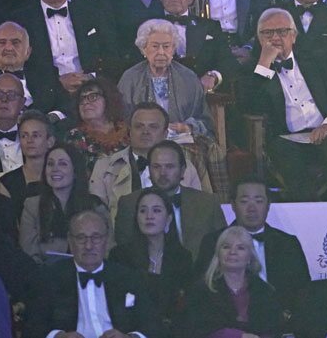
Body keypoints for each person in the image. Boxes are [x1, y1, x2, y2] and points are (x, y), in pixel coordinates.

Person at [249, 8, 327, 201]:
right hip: (286, 138)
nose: (275, 38)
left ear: (294, 36)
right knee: (287, 157)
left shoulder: (317, 61)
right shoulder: (254, 69)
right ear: (259, 38)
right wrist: (264, 64)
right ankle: (308, 215)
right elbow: (252, 106)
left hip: (325, 132)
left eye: (282, 32)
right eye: (267, 33)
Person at [119, 18, 229, 198]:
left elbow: (205, 120)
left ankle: (198, 205)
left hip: (181, 141)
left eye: (167, 46)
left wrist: (188, 127)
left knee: (190, 153)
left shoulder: (188, 77)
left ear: (173, 49)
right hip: (143, 140)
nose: (161, 52)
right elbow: (122, 120)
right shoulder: (130, 78)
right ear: (143, 49)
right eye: (155, 46)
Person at [24, 210, 160, 337]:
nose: (89, 246)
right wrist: (58, 336)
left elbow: (153, 325)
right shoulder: (48, 278)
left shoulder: (128, 277)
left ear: (106, 240)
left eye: (96, 237)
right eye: (81, 238)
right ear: (70, 241)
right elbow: (31, 327)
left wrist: (129, 337)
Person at [194, 176, 310, 324]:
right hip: (226, 325)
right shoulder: (213, 241)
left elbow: (303, 292)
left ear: (268, 205)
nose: (251, 208)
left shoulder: (288, 244)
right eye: (244, 201)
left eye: (259, 201)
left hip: (279, 324)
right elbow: (201, 290)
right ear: (233, 205)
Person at [7, 0, 120, 92]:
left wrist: (90, 78)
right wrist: (56, 83)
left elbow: (111, 55)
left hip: (89, 90)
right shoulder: (21, 21)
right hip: (44, 94)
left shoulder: (90, 14)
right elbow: (16, 66)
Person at [89, 102, 203, 224]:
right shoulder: (104, 167)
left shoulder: (186, 167)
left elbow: (198, 213)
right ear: (129, 131)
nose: (145, 131)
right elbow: (97, 218)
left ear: (165, 133)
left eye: (153, 127)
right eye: (139, 126)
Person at [115, 140, 226, 259]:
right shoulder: (129, 204)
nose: (162, 173)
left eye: (170, 166)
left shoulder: (208, 203)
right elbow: (123, 252)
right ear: (149, 169)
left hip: (197, 275)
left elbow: (222, 246)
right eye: (156, 167)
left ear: (183, 170)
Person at [108, 187, 193, 332]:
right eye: (143, 211)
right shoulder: (120, 256)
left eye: (157, 210)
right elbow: (119, 303)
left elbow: (185, 307)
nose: (149, 216)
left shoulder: (182, 258)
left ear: (169, 219)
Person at [182, 225, 283, 338]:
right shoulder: (200, 292)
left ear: (250, 257)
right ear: (218, 255)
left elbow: (274, 330)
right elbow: (196, 330)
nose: (232, 252)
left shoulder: (265, 292)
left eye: (240, 248)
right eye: (226, 247)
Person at [0, 21, 68, 123]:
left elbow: (65, 106)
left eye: (16, 43)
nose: (9, 48)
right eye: (2, 42)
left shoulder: (45, 74)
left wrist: (46, 120)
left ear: (28, 52)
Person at [157, 0, 239, 92]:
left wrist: (213, 76)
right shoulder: (147, 28)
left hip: (203, 100)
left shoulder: (210, 27)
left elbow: (228, 63)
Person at [19, 143, 103, 263]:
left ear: (75, 171)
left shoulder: (96, 206)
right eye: (50, 164)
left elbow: (106, 249)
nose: (55, 169)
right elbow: (29, 254)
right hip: (45, 276)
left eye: (63, 164)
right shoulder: (32, 205)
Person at [0, 109, 55, 223]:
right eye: (24, 136)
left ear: (50, 142)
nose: (29, 140)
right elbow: (9, 225)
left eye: (36, 135)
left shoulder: (61, 176)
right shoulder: (7, 182)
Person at [64, 78, 129, 171]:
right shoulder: (75, 137)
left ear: (108, 99)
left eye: (93, 96)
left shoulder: (130, 132)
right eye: (81, 99)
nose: (85, 102)